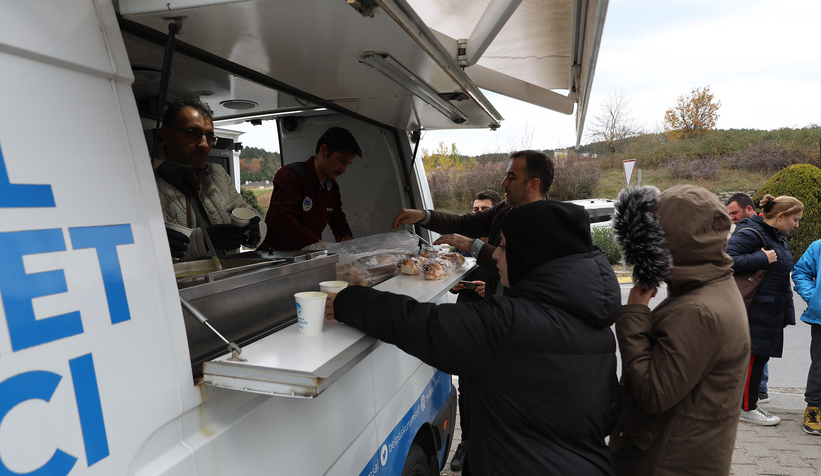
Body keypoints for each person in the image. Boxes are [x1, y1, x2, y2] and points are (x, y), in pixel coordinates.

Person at [327, 200, 621, 476]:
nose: (495, 255)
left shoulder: (509, 323)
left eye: (503, 247)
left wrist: (346, 300)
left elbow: (422, 325)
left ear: (531, 254)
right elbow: (607, 415)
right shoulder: (594, 323)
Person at [610, 185, 750, 476]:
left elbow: (654, 393)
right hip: (676, 454)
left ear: (670, 241)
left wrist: (635, 313)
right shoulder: (709, 286)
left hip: (666, 462)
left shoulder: (698, 309)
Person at [390, 150, 553, 297]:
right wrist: (423, 215)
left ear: (533, 184)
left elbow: (517, 268)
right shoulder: (504, 209)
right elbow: (464, 223)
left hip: (519, 314)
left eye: (512, 177)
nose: (504, 182)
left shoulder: (550, 225)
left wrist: (471, 244)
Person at [153, 98, 266, 260]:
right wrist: (206, 240)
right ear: (166, 135)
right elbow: (146, 247)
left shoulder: (216, 174)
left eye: (210, 137)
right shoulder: (145, 178)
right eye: (193, 133)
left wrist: (255, 230)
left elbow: (251, 214)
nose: (205, 145)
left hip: (224, 276)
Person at [726, 194, 803, 426]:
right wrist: (760, 257)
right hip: (753, 307)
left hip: (770, 309)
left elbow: (782, 280)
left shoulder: (778, 238)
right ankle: (746, 409)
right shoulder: (752, 233)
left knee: (759, 358)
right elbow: (726, 260)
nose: (797, 224)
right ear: (780, 216)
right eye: (795, 219)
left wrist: (787, 313)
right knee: (752, 359)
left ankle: (747, 405)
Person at [445, 189, 501, 473]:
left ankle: (491, 444)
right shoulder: (463, 248)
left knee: (491, 389)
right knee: (466, 388)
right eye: (475, 210)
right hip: (468, 322)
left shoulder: (503, 248)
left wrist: (489, 290)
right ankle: (466, 442)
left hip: (495, 328)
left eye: (484, 210)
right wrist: (453, 283)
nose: (478, 214)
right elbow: (451, 272)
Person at [259, 127, 360, 251]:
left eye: (348, 164)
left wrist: (347, 244)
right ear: (323, 150)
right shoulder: (292, 175)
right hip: (277, 257)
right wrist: (318, 244)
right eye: (341, 161)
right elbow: (282, 220)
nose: (344, 169)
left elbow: (338, 222)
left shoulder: (332, 188)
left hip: (307, 258)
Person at [725, 192, 771, 402]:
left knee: (753, 347)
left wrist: (760, 257)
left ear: (749, 209)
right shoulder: (758, 229)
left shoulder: (751, 231)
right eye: (730, 214)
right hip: (752, 297)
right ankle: (757, 390)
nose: (732, 217)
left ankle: (755, 392)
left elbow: (729, 261)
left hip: (752, 297)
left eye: (735, 212)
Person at [791, 238, 821, 436]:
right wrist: (813, 297)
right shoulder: (818, 247)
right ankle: (814, 408)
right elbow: (801, 272)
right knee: (820, 365)